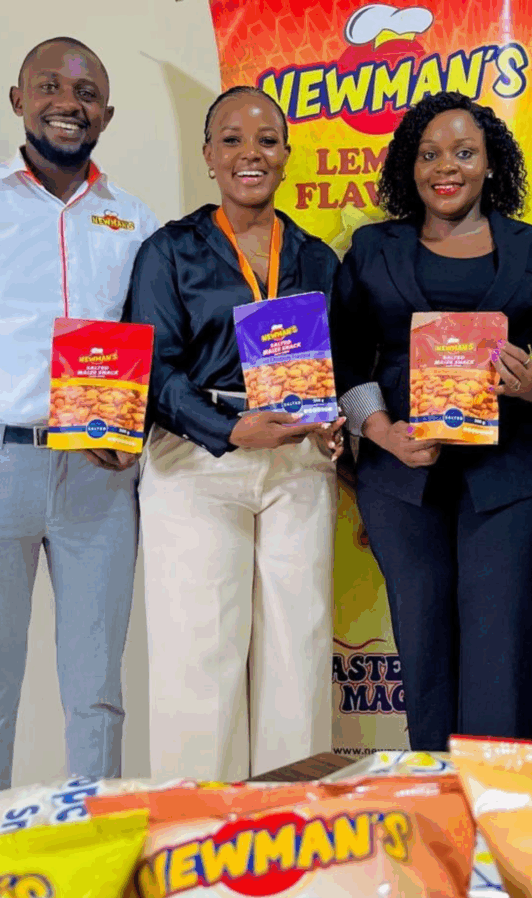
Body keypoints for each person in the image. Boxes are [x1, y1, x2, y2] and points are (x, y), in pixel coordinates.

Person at [330, 91, 532, 751]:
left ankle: (504, 823)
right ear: (409, 167)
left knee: (505, 651)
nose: (447, 167)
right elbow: (347, 358)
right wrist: (382, 432)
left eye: (464, 152)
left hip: (513, 483)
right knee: (424, 650)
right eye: (430, 154)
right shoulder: (372, 248)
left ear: (491, 162)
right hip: (401, 481)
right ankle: (440, 807)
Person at [124, 86, 343, 782]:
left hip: (297, 462)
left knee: (299, 651)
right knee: (201, 655)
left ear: (285, 154)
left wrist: (332, 426)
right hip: (196, 462)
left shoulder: (315, 258)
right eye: (232, 139)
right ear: (209, 155)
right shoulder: (170, 251)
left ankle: (290, 827)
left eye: (267, 140)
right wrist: (229, 427)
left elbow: (337, 364)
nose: (251, 153)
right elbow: (155, 371)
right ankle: (198, 840)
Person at [0, 37, 158, 789]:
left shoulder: (136, 222)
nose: (71, 103)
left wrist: (141, 421)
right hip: (4, 465)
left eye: (87, 92)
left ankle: (95, 849)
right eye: (52, 87)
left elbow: (161, 341)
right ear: (18, 100)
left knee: (96, 691)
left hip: (100, 478)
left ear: (107, 114)